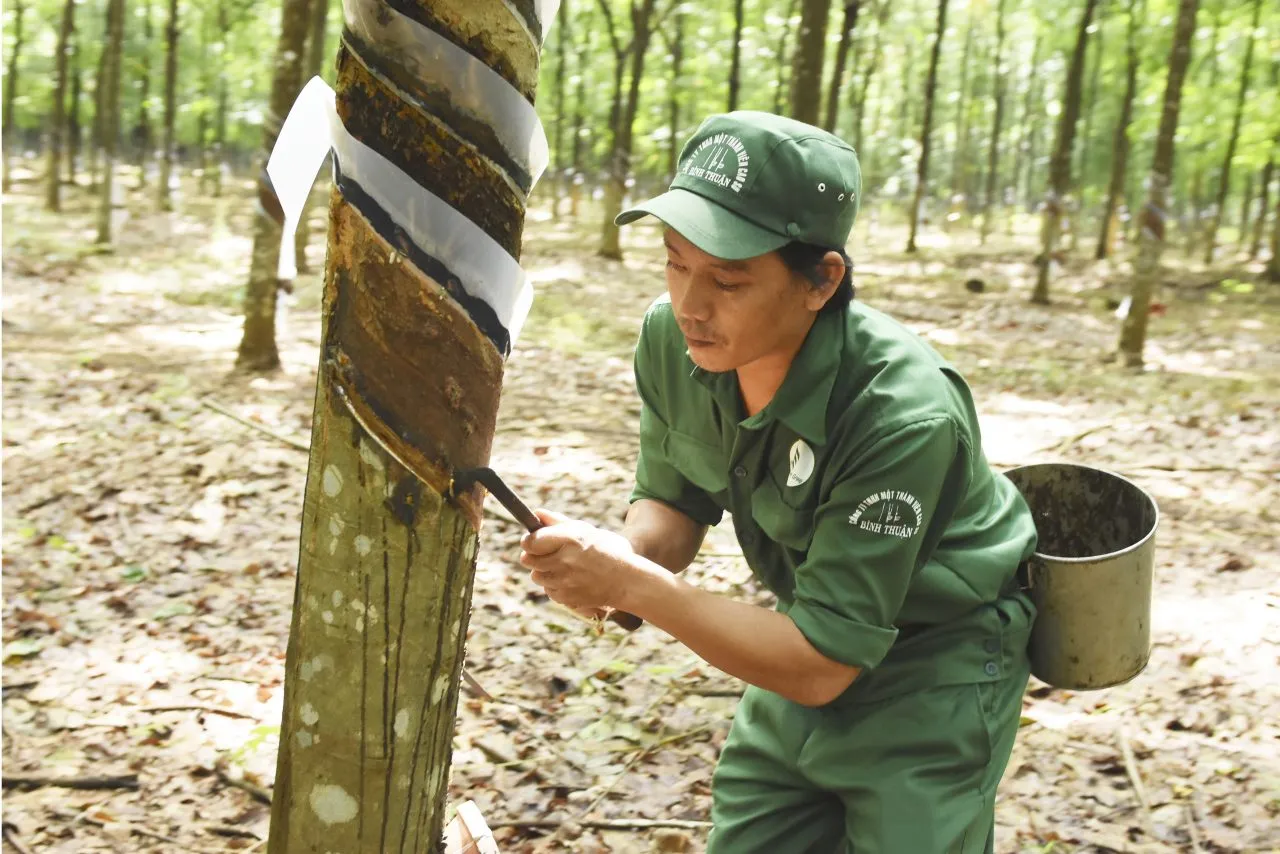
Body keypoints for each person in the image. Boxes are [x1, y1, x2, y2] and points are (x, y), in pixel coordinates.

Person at [519, 111, 1038, 854]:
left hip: (937, 662)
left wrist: (632, 587)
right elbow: (672, 504)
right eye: (674, 261)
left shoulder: (899, 416)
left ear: (820, 281)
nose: (690, 304)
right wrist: (614, 560)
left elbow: (822, 665)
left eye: (728, 279)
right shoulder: (675, 341)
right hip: (799, 628)